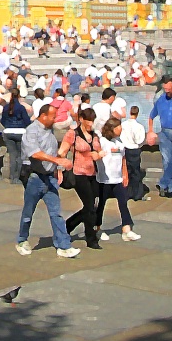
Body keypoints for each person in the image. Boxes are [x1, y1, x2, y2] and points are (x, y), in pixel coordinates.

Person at [16, 103, 82, 258]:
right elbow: (35, 153)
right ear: (43, 116)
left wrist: (56, 168)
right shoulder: (32, 131)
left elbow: (51, 149)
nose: (54, 119)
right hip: (34, 177)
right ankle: (22, 240)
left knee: (56, 213)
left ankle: (63, 245)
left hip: (49, 177)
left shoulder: (49, 129)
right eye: (52, 117)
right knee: (28, 211)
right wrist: (57, 161)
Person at [60, 107, 102, 249]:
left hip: (93, 174)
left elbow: (99, 150)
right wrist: (61, 166)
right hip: (78, 173)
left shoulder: (94, 135)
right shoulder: (73, 134)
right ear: (82, 119)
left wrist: (100, 154)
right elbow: (62, 151)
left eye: (92, 120)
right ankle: (91, 239)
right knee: (90, 205)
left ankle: (68, 225)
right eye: (88, 120)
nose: (90, 123)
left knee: (92, 206)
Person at [94, 118, 141, 242]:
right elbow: (95, 153)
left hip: (118, 179)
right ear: (111, 129)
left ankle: (126, 229)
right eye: (118, 127)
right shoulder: (102, 141)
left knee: (123, 203)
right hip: (104, 179)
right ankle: (97, 228)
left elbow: (123, 158)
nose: (121, 130)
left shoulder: (120, 142)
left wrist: (125, 174)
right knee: (101, 205)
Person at [1, 89, 33, 185]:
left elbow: (3, 120)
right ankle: (17, 177)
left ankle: (11, 176)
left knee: (12, 155)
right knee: (20, 156)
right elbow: (27, 121)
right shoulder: (21, 108)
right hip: (20, 132)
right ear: (19, 96)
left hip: (8, 132)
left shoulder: (6, 107)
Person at [120, 105, 148, 201]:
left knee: (126, 171)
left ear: (129, 113)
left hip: (125, 149)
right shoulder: (139, 127)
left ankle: (126, 193)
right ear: (137, 114)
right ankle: (137, 194)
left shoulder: (123, 125)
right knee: (136, 172)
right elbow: (140, 140)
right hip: (135, 150)